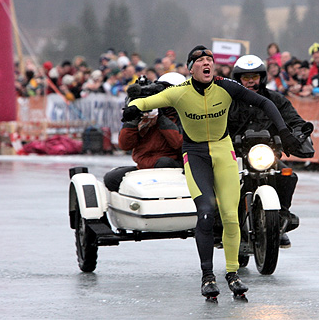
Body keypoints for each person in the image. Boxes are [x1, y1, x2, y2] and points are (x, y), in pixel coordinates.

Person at [122, 45, 301, 299]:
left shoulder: (226, 86)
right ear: (190, 68)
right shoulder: (179, 93)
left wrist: (284, 132)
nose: (207, 63)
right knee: (206, 212)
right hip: (195, 155)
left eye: (210, 60)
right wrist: (133, 106)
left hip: (223, 151)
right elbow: (146, 101)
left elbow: (264, 102)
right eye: (200, 60)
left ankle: (232, 274)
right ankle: (208, 277)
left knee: (230, 215)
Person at [229, 54, 311, 248]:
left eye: (254, 77)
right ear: (237, 79)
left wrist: (298, 132)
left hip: (266, 154)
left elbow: (295, 120)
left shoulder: (275, 99)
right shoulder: (228, 100)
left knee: (287, 175)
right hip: (234, 154)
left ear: (262, 78)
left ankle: (279, 221)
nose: (250, 81)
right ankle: (218, 224)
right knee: (219, 180)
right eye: (245, 77)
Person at [104, 72, 186, 192]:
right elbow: (125, 145)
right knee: (111, 178)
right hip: (144, 168)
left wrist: (161, 117)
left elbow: (179, 144)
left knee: (164, 163)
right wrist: (133, 118)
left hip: (172, 168)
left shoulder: (184, 116)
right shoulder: (147, 111)